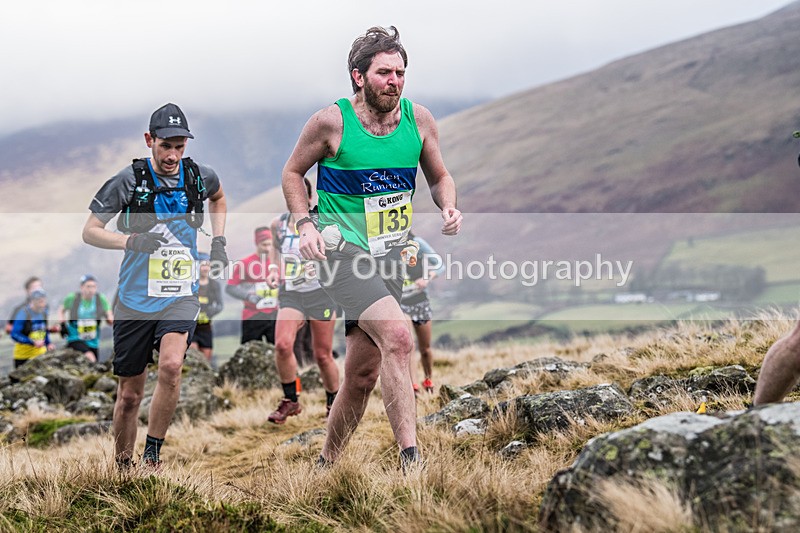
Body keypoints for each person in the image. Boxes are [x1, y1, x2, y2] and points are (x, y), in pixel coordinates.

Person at [282, 26, 462, 468]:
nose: (394, 81)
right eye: (384, 73)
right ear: (358, 76)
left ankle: (326, 463)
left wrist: (448, 205)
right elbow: (292, 174)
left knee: (361, 376)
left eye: (400, 73)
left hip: (391, 256)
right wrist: (304, 225)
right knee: (399, 338)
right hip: (340, 255)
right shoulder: (331, 122)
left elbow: (439, 176)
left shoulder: (419, 121)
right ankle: (411, 461)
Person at [82, 103, 228, 469]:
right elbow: (91, 231)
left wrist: (219, 241)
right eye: (166, 146)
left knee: (172, 366)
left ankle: (152, 455)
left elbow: (219, 197)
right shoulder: (129, 180)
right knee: (130, 396)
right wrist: (130, 241)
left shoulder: (198, 176)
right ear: (150, 140)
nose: (173, 155)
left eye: (180, 146)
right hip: (134, 299)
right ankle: (123, 467)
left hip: (180, 293)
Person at [267, 177, 340, 424]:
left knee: (322, 355)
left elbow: (339, 252)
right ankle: (291, 400)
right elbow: (275, 252)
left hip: (321, 293)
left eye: (301, 195)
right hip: (292, 293)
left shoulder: (322, 220)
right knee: (282, 345)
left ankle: (333, 404)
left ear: (309, 198)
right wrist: (273, 270)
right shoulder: (278, 225)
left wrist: (321, 264)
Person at [401, 232, 445, 395]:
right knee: (409, 346)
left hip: (420, 301)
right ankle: (413, 387)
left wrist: (426, 278)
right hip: (400, 304)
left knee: (425, 349)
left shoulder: (416, 242)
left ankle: (428, 380)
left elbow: (440, 264)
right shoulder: (385, 245)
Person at [226, 227, 280, 345]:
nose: (267, 248)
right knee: (250, 351)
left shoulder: (277, 263)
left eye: (270, 245)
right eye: (264, 245)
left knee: (279, 351)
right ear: (257, 243)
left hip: (275, 314)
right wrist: (249, 297)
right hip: (252, 315)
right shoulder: (245, 263)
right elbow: (230, 288)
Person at [57, 274, 114, 363]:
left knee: (95, 363)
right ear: (81, 287)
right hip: (75, 338)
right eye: (88, 286)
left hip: (93, 341)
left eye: (94, 287)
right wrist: (62, 323)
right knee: (90, 358)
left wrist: (110, 319)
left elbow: (109, 314)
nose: (91, 290)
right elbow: (61, 310)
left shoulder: (100, 299)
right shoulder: (73, 298)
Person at [190, 253, 224, 366]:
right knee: (193, 357)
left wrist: (210, 311)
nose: (205, 268)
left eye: (207, 265)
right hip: (191, 327)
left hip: (206, 327)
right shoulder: (191, 284)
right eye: (202, 265)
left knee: (206, 360)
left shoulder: (214, 285)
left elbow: (220, 305)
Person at [10, 289, 55, 367]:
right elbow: (14, 334)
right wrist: (32, 342)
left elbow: (44, 330)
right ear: (33, 301)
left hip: (40, 353)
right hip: (23, 356)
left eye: (44, 301)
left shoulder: (44, 312)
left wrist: (48, 343)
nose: (43, 304)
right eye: (40, 302)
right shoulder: (23, 314)